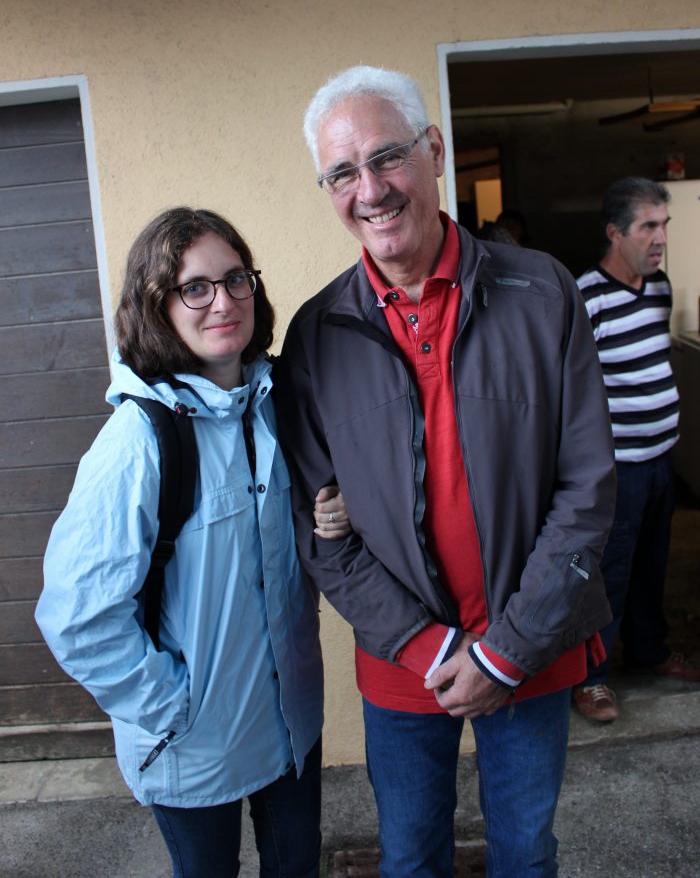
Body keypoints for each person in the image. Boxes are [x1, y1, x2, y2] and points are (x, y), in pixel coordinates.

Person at [275, 65, 617, 878]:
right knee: (410, 857)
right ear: (327, 189)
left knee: (526, 854)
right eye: (342, 173)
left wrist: (506, 651)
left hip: (531, 652)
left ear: (433, 151)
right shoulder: (317, 335)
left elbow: (588, 486)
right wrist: (431, 647)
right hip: (404, 666)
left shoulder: (543, 292)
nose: (371, 189)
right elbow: (318, 533)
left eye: (387, 157)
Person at [36, 207, 349, 878]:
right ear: (158, 306)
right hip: (195, 738)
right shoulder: (137, 443)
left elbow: (307, 518)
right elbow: (77, 616)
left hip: (290, 719)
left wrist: (331, 513)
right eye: (195, 287)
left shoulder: (277, 403)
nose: (223, 302)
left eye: (236, 279)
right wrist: (172, 708)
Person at [574, 178, 700, 723]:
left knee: (653, 563)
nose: (661, 238)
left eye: (664, 225)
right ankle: (590, 679)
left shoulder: (660, 287)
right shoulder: (587, 296)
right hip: (617, 469)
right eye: (649, 226)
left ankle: (648, 652)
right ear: (614, 232)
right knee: (612, 572)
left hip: (660, 462)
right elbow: (571, 389)